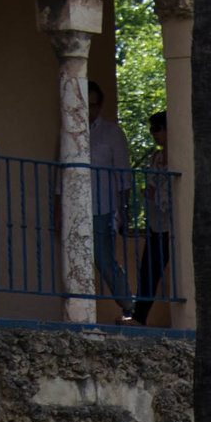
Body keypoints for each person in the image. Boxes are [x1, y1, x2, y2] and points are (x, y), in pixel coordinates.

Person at [86, 77, 132, 311]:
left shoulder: (112, 133)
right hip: (77, 208)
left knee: (103, 259)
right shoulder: (70, 131)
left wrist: (123, 210)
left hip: (103, 208)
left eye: (92, 105)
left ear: (99, 106)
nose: (88, 110)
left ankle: (128, 305)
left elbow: (123, 176)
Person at [130, 104, 174, 324]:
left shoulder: (178, 158)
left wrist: (155, 194)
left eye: (157, 129)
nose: (154, 134)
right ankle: (139, 317)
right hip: (156, 223)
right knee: (148, 270)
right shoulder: (155, 159)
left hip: (172, 225)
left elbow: (167, 195)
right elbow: (152, 190)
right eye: (152, 130)